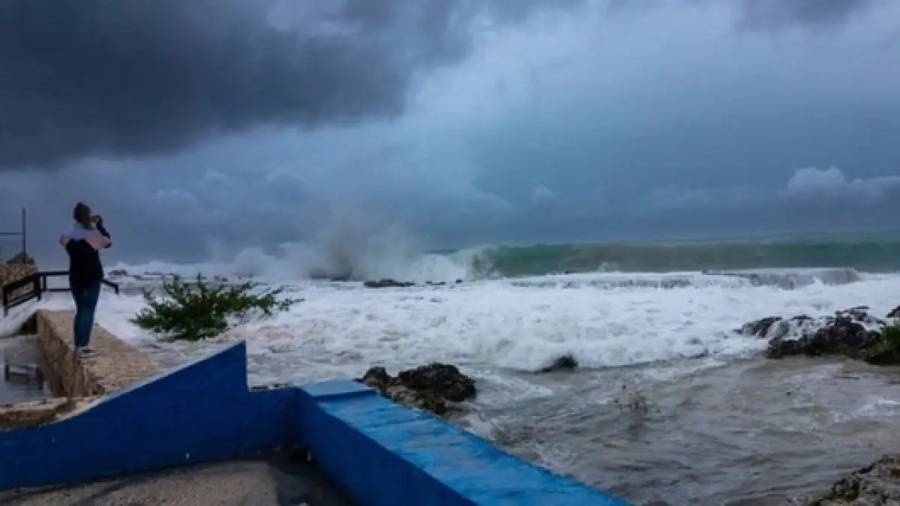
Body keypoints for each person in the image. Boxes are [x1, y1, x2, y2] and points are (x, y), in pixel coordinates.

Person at [59, 202, 111, 355]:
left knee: (81, 310)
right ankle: (83, 345)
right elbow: (108, 242)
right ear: (87, 216)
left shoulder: (67, 234)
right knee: (88, 310)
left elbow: (62, 240)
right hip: (92, 276)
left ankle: (78, 345)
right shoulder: (93, 234)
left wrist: (84, 223)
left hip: (75, 276)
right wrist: (99, 225)